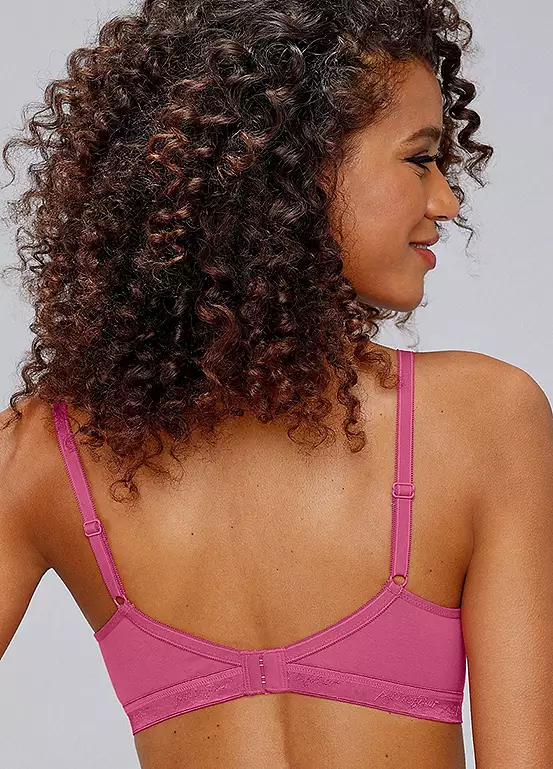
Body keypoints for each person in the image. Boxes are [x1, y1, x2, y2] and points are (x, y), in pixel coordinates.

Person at [1, 0, 552, 767]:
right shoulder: (482, 418)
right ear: (290, 166)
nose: (445, 202)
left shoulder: (44, 450)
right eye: (419, 159)